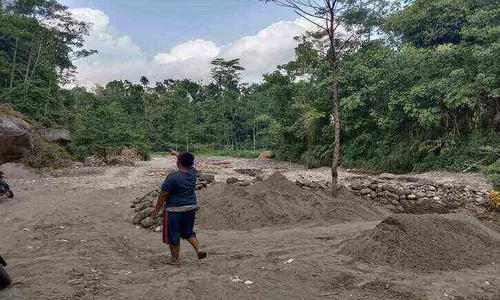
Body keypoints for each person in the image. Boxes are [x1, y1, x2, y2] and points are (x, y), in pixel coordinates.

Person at [152, 150, 207, 265]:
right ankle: (199, 249)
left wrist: (157, 209)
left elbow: (163, 195)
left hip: (174, 210)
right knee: (188, 232)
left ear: (178, 162)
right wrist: (176, 154)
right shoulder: (193, 172)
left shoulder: (173, 177)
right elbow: (189, 161)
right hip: (190, 207)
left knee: (174, 235)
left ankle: (175, 260)